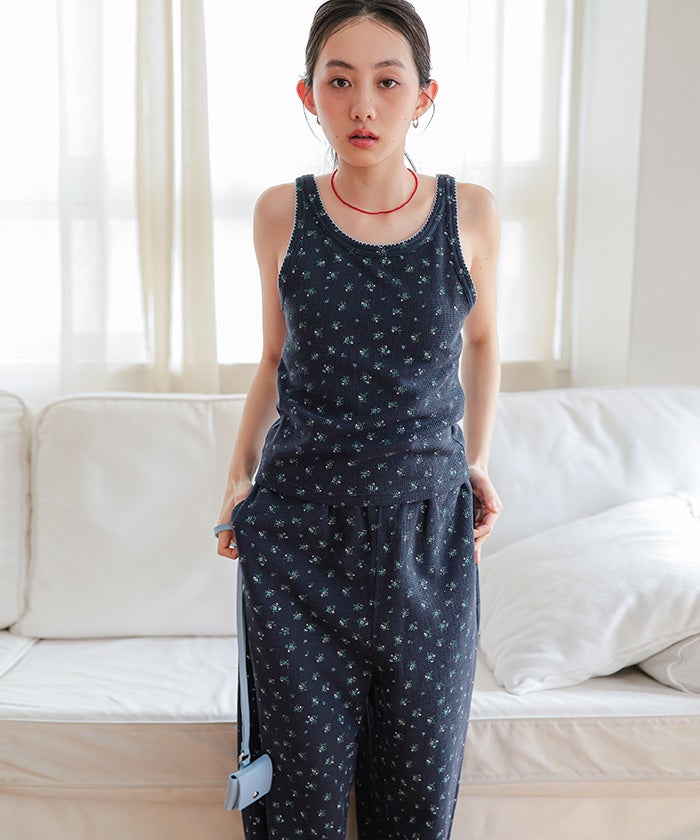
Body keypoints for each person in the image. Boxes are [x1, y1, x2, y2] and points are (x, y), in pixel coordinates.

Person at [215, 1, 502, 837]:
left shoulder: (472, 213)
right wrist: (237, 477)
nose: (363, 106)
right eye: (339, 82)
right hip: (299, 537)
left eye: (388, 81)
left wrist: (478, 461)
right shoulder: (281, 212)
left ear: (425, 95)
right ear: (308, 95)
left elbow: (484, 342)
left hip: (429, 538)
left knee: (415, 803)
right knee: (296, 808)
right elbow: (273, 359)